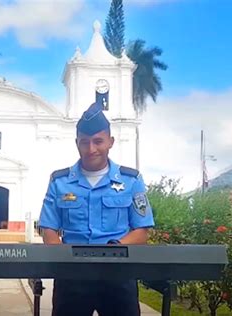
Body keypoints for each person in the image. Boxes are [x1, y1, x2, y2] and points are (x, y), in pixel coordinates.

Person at [38, 102, 155, 316]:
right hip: (72, 278)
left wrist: (114, 249)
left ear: (110, 142)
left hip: (118, 275)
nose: (91, 149)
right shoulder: (59, 181)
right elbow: (49, 230)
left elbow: (142, 231)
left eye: (98, 141)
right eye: (85, 142)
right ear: (77, 143)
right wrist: (62, 259)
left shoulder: (131, 180)